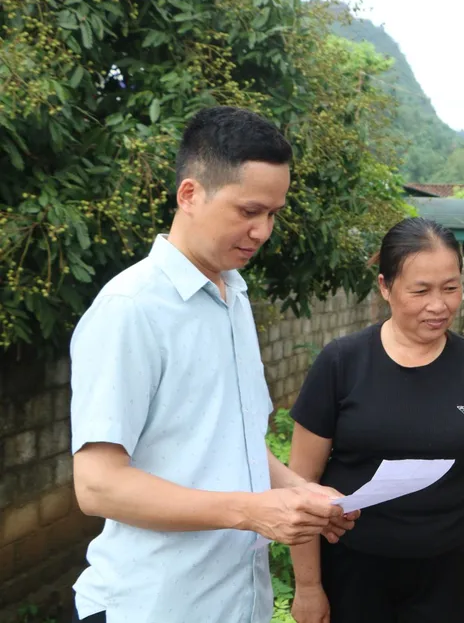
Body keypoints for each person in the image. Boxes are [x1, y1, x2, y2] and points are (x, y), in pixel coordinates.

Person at [68, 106, 357, 623]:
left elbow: (232, 442)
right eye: (248, 210)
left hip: (235, 603)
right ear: (190, 195)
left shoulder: (233, 298)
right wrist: (251, 511)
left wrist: (300, 493)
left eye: (273, 214)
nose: (262, 230)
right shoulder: (132, 308)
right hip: (153, 607)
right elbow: (97, 485)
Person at [286, 217, 464, 623]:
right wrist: (308, 587)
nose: (439, 305)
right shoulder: (342, 363)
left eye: (450, 288)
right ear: (384, 287)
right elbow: (301, 479)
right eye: (421, 290)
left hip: (451, 575)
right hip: (354, 575)